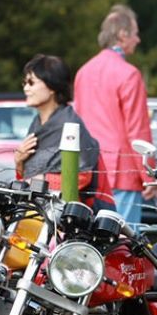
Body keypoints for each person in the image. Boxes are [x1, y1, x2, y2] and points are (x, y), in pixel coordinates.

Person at [73, 4, 157, 226]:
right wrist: (150, 175)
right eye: (136, 33)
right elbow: (138, 130)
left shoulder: (83, 71)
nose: (138, 40)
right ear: (122, 34)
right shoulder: (129, 74)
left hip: (90, 169)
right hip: (122, 171)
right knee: (124, 244)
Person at [14, 54, 114, 210]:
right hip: (40, 211)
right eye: (24, 82)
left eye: (31, 82)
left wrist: (41, 180)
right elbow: (26, 179)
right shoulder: (36, 125)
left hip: (70, 216)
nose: (26, 88)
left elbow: (82, 176)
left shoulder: (70, 124)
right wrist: (19, 161)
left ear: (51, 86)